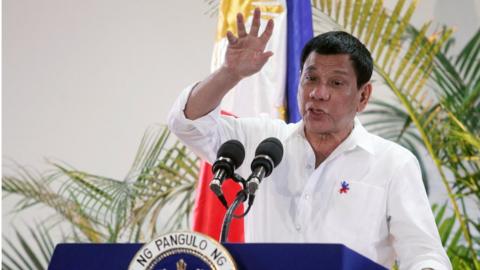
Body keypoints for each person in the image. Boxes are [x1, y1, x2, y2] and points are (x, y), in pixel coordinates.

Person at [167, 8, 451, 270]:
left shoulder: (393, 163)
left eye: (336, 83)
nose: (318, 93)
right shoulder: (263, 142)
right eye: (311, 79)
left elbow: (425, 254)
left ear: (363, 96)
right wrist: (229, 74)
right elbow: (188, 124)